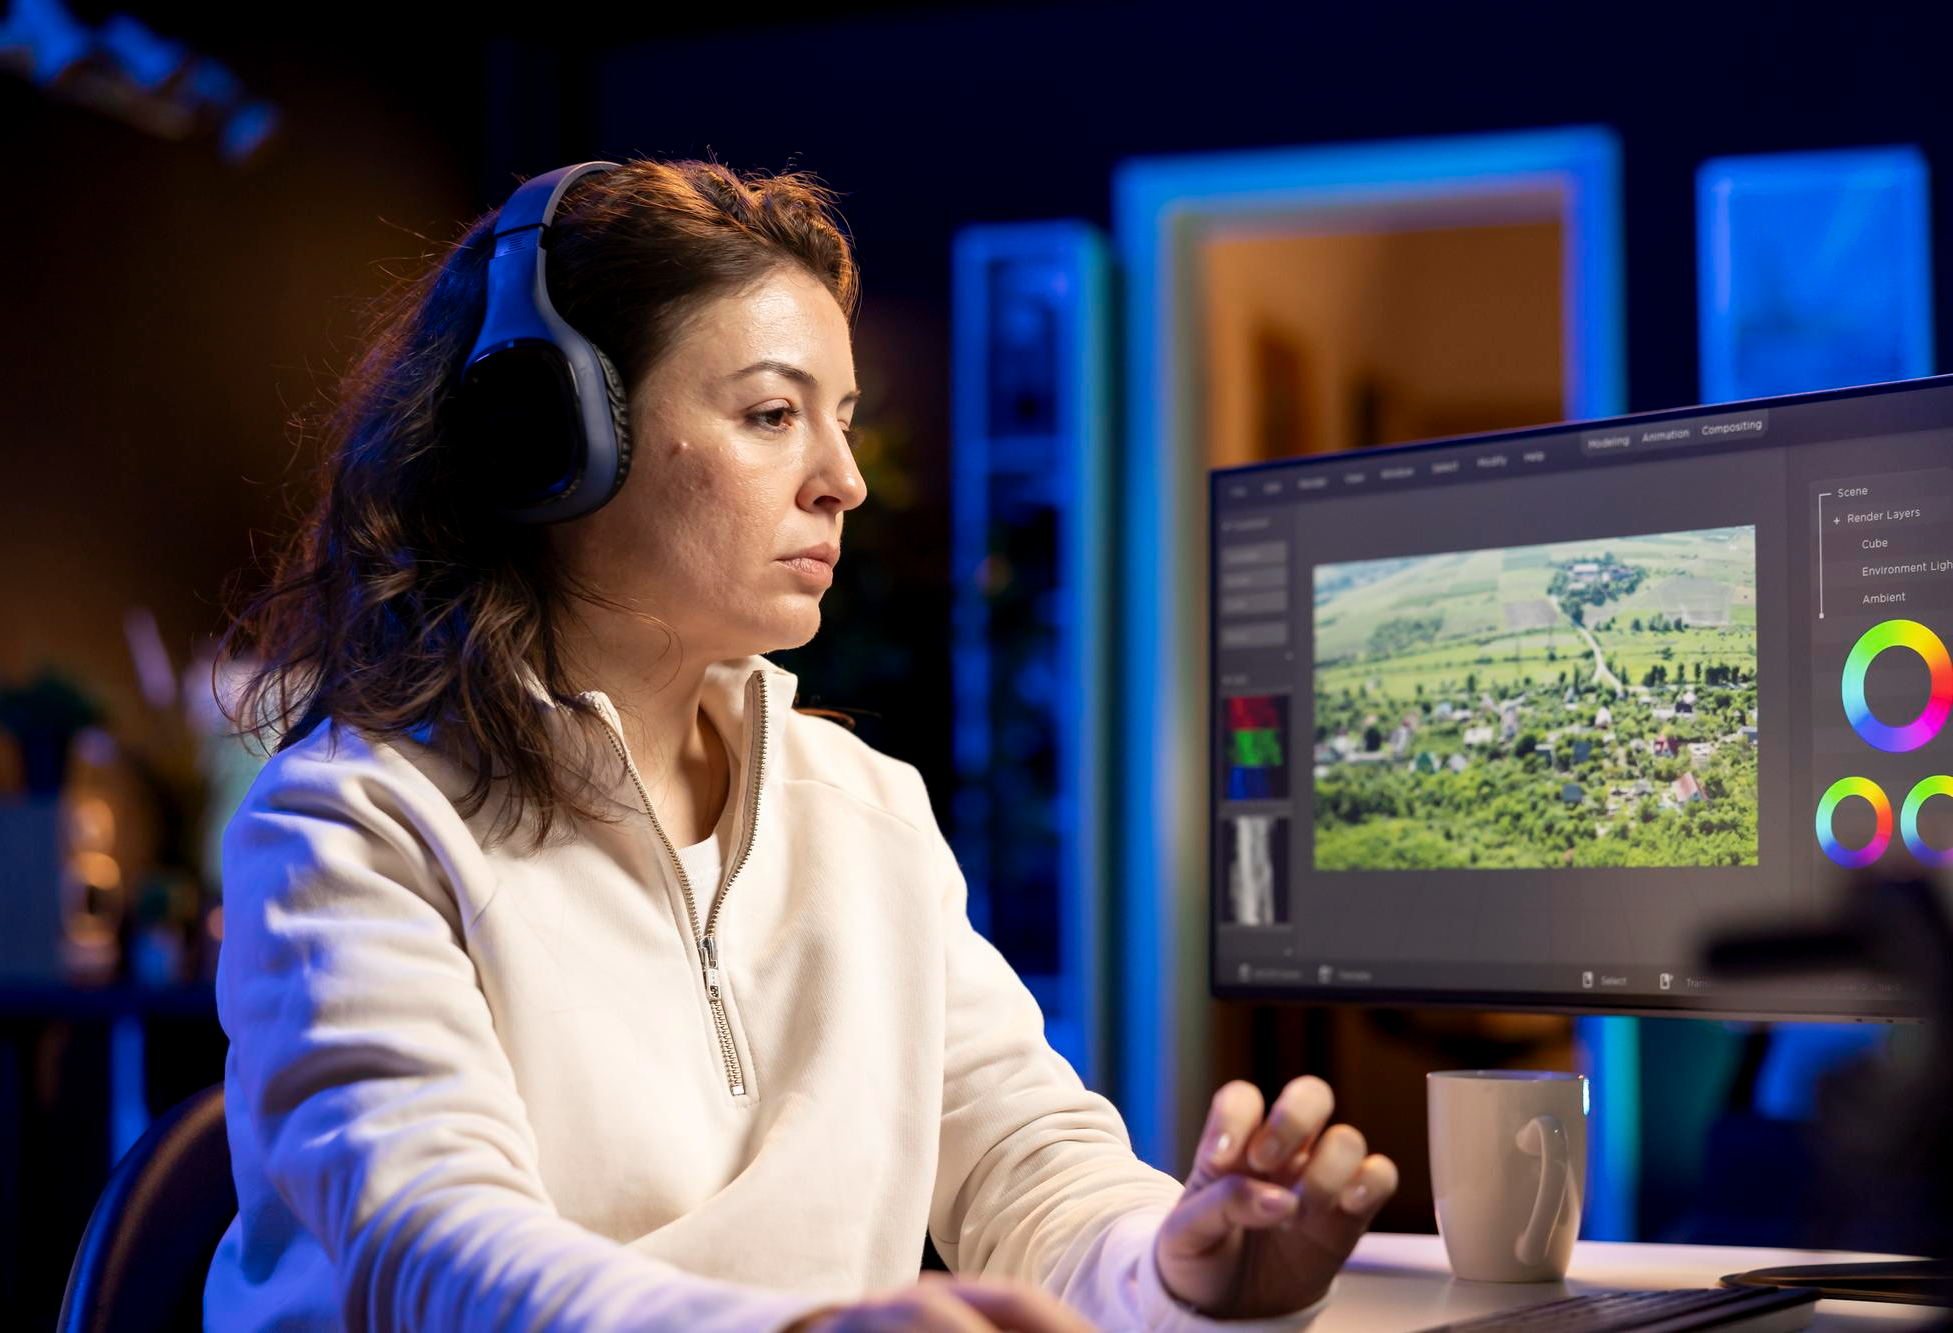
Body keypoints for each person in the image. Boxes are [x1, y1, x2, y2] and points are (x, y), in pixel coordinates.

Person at [205, 156, 1397, 1331]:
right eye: (772, 415)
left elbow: (1025, 1163)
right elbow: (436, 1251)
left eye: (840, 422)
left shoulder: (862, 808)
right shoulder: (350, 825)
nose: (841, 482)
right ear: (550, 438)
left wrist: (1176, 1268)